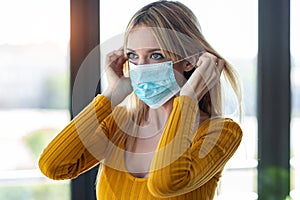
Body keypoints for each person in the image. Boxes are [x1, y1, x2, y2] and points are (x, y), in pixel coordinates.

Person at [39, 1, 243, 199]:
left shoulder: (220, 132)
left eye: (156, 56)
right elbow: (53, 166)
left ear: (190, 61)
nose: (141, 67)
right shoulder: (119, 124)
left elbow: (164, 184)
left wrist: (188, 99)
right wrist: (112, 95)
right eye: (133, 56)